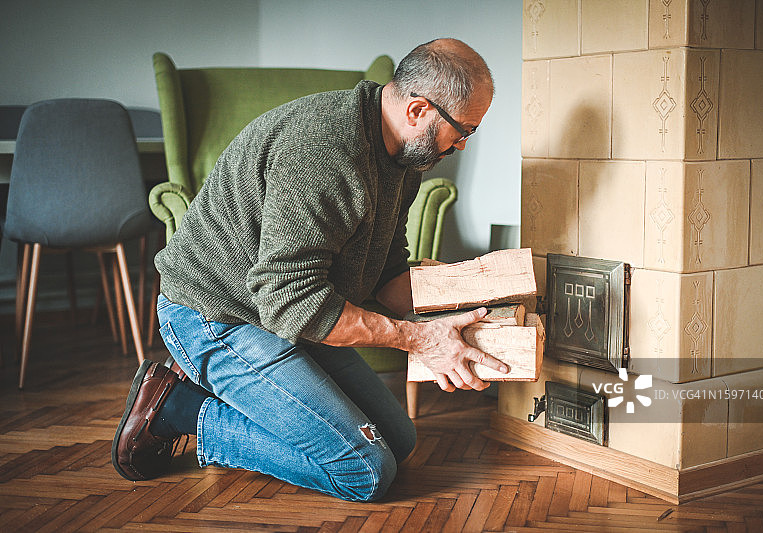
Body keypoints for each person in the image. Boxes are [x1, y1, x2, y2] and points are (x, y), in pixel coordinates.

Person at [112, 38, 508, 502]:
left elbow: (387, 272)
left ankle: (260, 401)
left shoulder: (406, 156)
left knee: (399, 442)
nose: (461, 145)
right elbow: (289, 301)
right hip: (218, 317)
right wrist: (417, 339)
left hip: (290, 314)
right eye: (463, 131)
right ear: (419, 110)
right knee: (366, 472)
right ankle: (183, 409)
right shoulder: (325, 150)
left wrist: (460, 308)